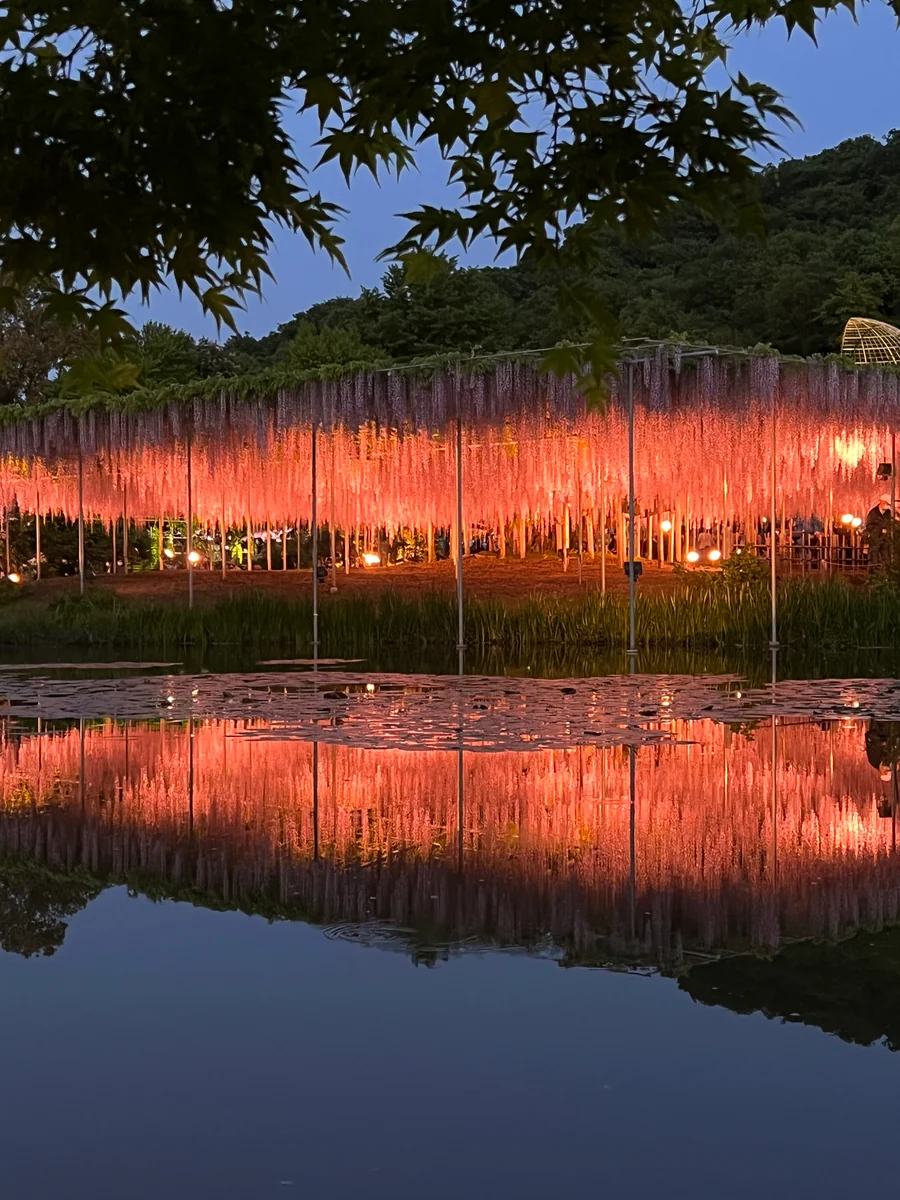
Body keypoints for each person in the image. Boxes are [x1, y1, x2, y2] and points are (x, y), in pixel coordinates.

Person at [864, 493, 897, 570]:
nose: (888, 506)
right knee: (874, 559)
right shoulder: (873, 513)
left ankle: (885, 574)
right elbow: (869, 526)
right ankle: (873, 574)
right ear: (882, 502)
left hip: (885, 540)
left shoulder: (889, 513)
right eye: (887, 504)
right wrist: (880, 529)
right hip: (875, 540)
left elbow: (893, 523)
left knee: (886, 558)